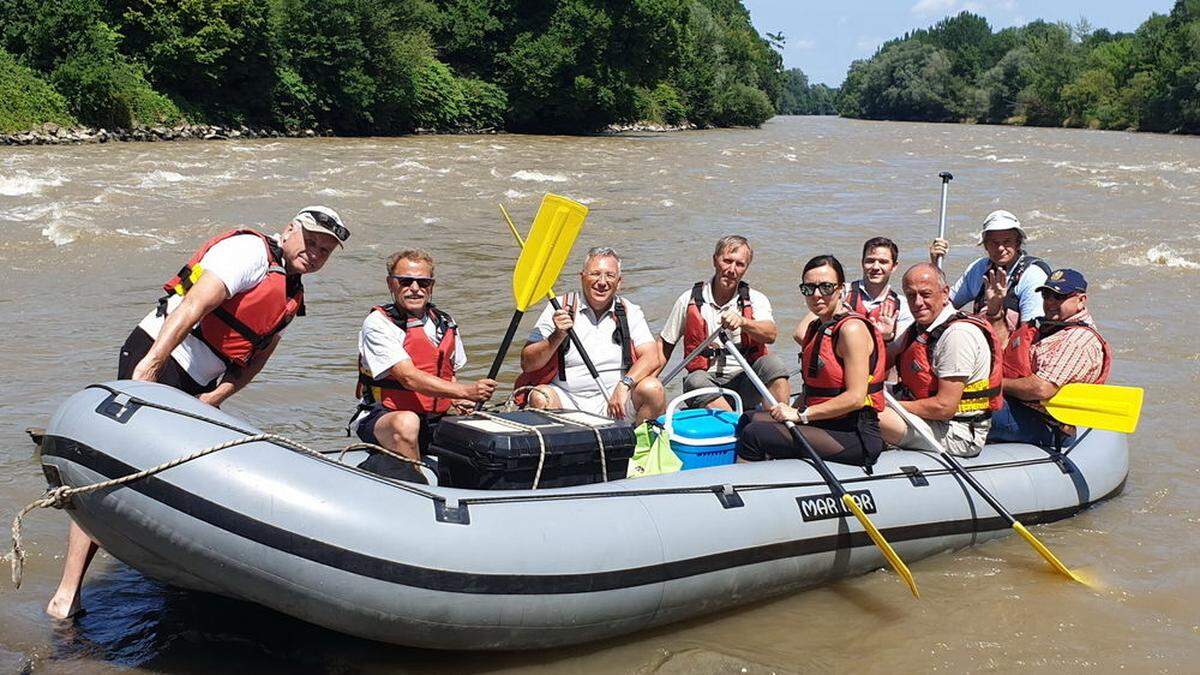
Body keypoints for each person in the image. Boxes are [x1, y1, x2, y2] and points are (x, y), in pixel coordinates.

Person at [47, 206, 349, 619]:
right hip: (160, 355)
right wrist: (151, 366)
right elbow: (192, 307)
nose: (314, 253)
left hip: (199, 383)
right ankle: (67, 594)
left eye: (324, 251)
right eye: (310, 242)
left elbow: (255, 359)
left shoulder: (292, 294)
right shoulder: (249, 252)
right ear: (290, 230)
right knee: (112, 474)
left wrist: (215, 398)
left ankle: (164, 568)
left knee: (163, 472)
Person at [351, 249, 497, 474]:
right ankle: (417, 485)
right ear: (391, 284)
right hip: (384, 415)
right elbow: (408, 377)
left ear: (432, 285)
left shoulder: (446, 322)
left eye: (423, 282)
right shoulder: (378, 323)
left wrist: (459, 402)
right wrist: (466, 392)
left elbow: (449, 373)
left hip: (433, 419)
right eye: (406, 281)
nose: (415, 289)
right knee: (407, 422)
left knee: (488, 435)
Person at [738, 255, 886, 468]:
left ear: (841, 289)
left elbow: (855, 398)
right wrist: (788, 410)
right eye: (809, 288)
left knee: (755, 434)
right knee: (750, 419)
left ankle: (746, 493)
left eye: (826, 287)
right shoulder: (816, 327)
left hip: (853, 434)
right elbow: (814, 390)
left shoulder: (851, 330)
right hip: (823, 423)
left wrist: (800, 415)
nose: (816, 295)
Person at [517, 247, 665, 423]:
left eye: (610, 275)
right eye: (595, 274)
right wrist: (556, 336)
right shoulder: (558, 307)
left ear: (619, 282)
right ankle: (561, 446)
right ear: (582, 277)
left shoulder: (630, 311)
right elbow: (527, 363)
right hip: (567, 400)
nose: (602, 282)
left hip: (616, 402)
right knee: (541, 396)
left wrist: (625, 384)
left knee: (653, 388)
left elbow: (652, 356)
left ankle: (639, 447)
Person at [878, 263, 1003, 458]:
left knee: (870, 414)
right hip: (925, 414)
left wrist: (887, 405)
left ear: (945, 293)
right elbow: (881, 364)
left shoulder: (958, 335)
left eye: (925, 294)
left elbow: (944, 407)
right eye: (911, 295)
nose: (918, 302)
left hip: (957, 432)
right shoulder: (919, 328)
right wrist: (883, 337)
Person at [658, 235, 789, 410]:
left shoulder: (756, 299)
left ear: (746, 268)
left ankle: (780, 426)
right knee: (694, 380)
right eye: (727, 261)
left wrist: (743, 322)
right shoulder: (687, 300)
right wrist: (646, 385)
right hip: (706, 382)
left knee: (773, 364)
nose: (732, 269)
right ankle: (738, 426)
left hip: (746, 380)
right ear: (715, 260)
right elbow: (663, 347)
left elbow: (770, 334)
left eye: (740, 264)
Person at [986, 268, 1111, 446]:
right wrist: (995, 308)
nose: (1050, 302)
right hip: (1016, 406)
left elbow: (1042, 388)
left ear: (1081, 300)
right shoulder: (1046, 327)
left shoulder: (1078, 340)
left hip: (1047, 424)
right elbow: (1003, 348)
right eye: (1046, 295)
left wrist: (991, 384)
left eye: (1059, 296)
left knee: (966, 408)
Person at [929, 209, 1050, 328]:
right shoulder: (979, 268)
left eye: (1007, 242)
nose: (1000, 248)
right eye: (994, 242)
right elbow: (943, 306)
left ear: (1017, 243)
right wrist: (935, 265)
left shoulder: (1033, 275)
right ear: (985, 245)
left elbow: (1030, 331)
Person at [794, 236, 912, 346]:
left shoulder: (903, 307)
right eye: (870, 261)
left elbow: (898, 352)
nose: (876, 267)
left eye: (883, 262)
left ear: (894, 266)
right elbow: (800, 334)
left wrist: (886, 338)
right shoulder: (839, 291)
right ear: (862, 262)